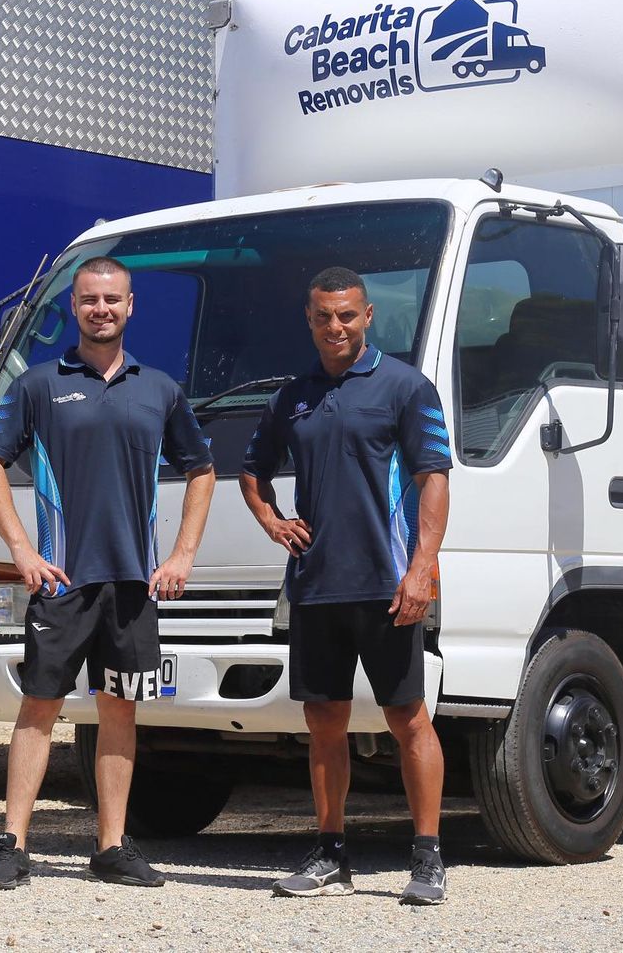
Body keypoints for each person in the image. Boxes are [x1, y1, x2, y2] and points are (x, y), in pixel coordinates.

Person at [0, 255, 216, 891]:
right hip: (63, 581)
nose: (100, 309)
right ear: (73, 308)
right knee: (39, 707)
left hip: (133, 585)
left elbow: (203, 470)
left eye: (112, 299)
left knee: (120, 711)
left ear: (130, 306)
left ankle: (111, 847)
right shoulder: (41, 385)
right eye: (88, 300)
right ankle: (12, 844)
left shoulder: (159, 389)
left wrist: (183, 554)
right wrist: (23, 549)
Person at [238, 265, 454, 906]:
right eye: (324, 316)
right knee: (324, 723)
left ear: (367, 317)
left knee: (407, 717)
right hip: (315, 586)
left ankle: (428, 857)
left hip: (389, 585)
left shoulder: (406, 387)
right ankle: (330, 851)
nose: (336, 326)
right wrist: (274, 522)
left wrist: (422, 569)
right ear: (309, 320)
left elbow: (433, 480)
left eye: (348, 315)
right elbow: (252, 470)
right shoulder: (291, 395)